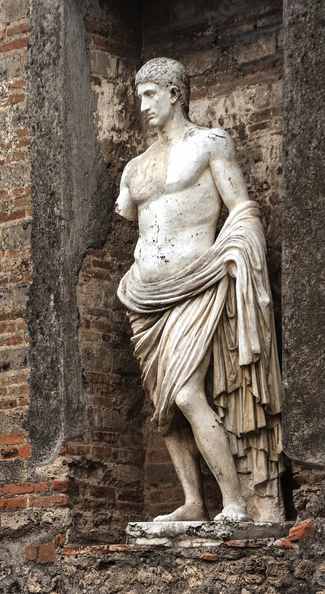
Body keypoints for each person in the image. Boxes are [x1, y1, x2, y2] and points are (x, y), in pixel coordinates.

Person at [116, 57, 283, 522]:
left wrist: (239, 253)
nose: (143, 106)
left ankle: (235, 502)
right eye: (139, 96)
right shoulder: (134, 168)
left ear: (175, 94)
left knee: (187, 393)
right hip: (145, 296)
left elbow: (242, 209)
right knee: (165, 407)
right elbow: (131, 217)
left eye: (151, 95)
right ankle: (193, 501)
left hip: (197, 283)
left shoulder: (210, 144)